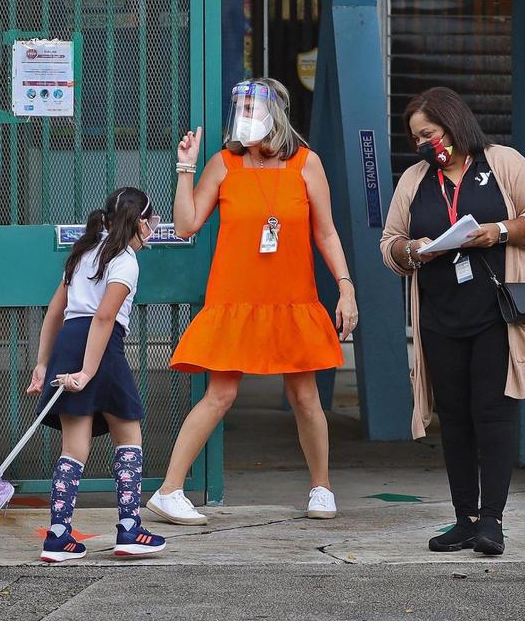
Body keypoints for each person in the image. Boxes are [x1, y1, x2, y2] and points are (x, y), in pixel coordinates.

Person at [146, 78, 358, 526]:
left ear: (273, 114)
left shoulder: (307, 163)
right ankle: (168, 490)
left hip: (292, 298)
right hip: (235, 299)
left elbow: (326, 232)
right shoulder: (223, 164)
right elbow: (186, 226)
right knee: (219, 395)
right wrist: (185, 168)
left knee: (305, 396)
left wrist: (345, 286)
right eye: (238, 106)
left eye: (250, 107)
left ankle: (321, 487)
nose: (242, 115)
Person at [379, 87, 525, 556]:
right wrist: (411, 250)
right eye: (417, 137)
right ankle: (463, 519)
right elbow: (390, 243)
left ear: (454, 122)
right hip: (440, 316)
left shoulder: (502, 162)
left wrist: (499, 232)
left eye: (431, 133)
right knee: (455, 417)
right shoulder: (415, 178)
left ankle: (492, 522)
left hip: (497, 314)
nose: (425, 144)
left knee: (494, 411)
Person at [27, 187, 168, 563]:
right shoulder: (124, 260)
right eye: (150, 223)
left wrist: (44, 363)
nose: (151, 231)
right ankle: (130, 528)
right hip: (101, 347)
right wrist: (88, 371)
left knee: (74, 446)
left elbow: (55, 312)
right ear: (139, 223)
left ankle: (57, 537)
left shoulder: (82, 252)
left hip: (69, 343)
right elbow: (104, 317)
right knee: (129, 433)